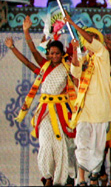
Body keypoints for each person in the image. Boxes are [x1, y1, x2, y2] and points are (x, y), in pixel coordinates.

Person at [11, 35, 76, 186]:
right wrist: (17, 42)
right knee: (46, 144)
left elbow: (78, 75)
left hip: (61, 112)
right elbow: (29, 58)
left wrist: (75, 49)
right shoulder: (44, 67)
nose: (54, 56)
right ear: (48, 54)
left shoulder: (68, 69)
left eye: (57, 53)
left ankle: (61, 179)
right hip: (45, 112)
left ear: (62, 54)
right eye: (51, 53)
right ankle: (47, 176)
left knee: (60, 146)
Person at [65, 13, 111, 187]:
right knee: (81, 142)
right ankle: (81, 180)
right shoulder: (84, 59)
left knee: (97, 147)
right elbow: (75, 73)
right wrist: (74, 50)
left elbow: (91, 42)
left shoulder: (102, 55)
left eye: (94, 38)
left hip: (101, 108)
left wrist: (72, 23)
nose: (90, 40)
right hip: (85, 108)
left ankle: (94, 176)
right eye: (88, 37)